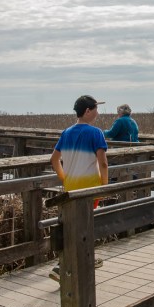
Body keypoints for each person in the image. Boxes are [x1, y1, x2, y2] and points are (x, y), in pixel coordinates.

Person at [49, 95, 108, 282]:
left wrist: (64, 177)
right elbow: (103, 163)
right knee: (86, 224)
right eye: (96, 109)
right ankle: (63, 266)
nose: (98, 113)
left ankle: (83, 259)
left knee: (74, 225)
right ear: (88, 111)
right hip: (90, 187)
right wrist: (104, 186)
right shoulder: (95, 133)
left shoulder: (66, 133)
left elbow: (53, 160)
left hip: (70, 187)